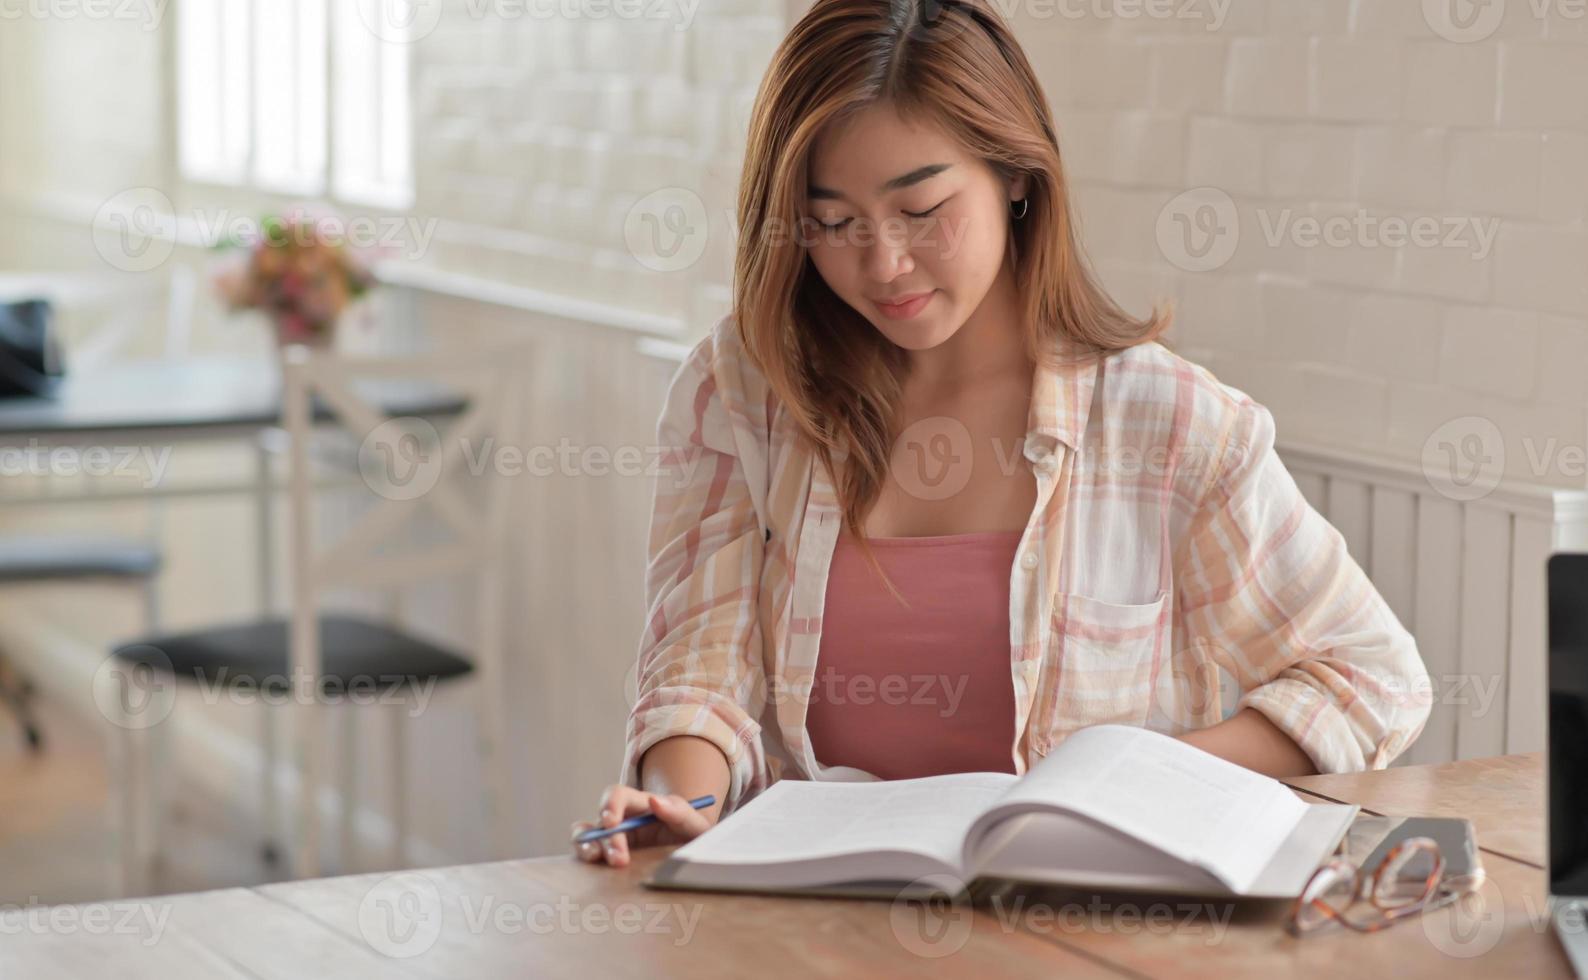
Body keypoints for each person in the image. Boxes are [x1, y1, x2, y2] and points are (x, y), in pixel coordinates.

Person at [573, 0, 1432, 867]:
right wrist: (680, 805)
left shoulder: (1165, 421)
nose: (883, 263)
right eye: (833, 222)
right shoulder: (743, 391)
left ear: (1017, 176)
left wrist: (1125, 782)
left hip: (1077, 922)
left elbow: (1373, 679)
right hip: (811, 919)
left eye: (921, 209)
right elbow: (699, 666)